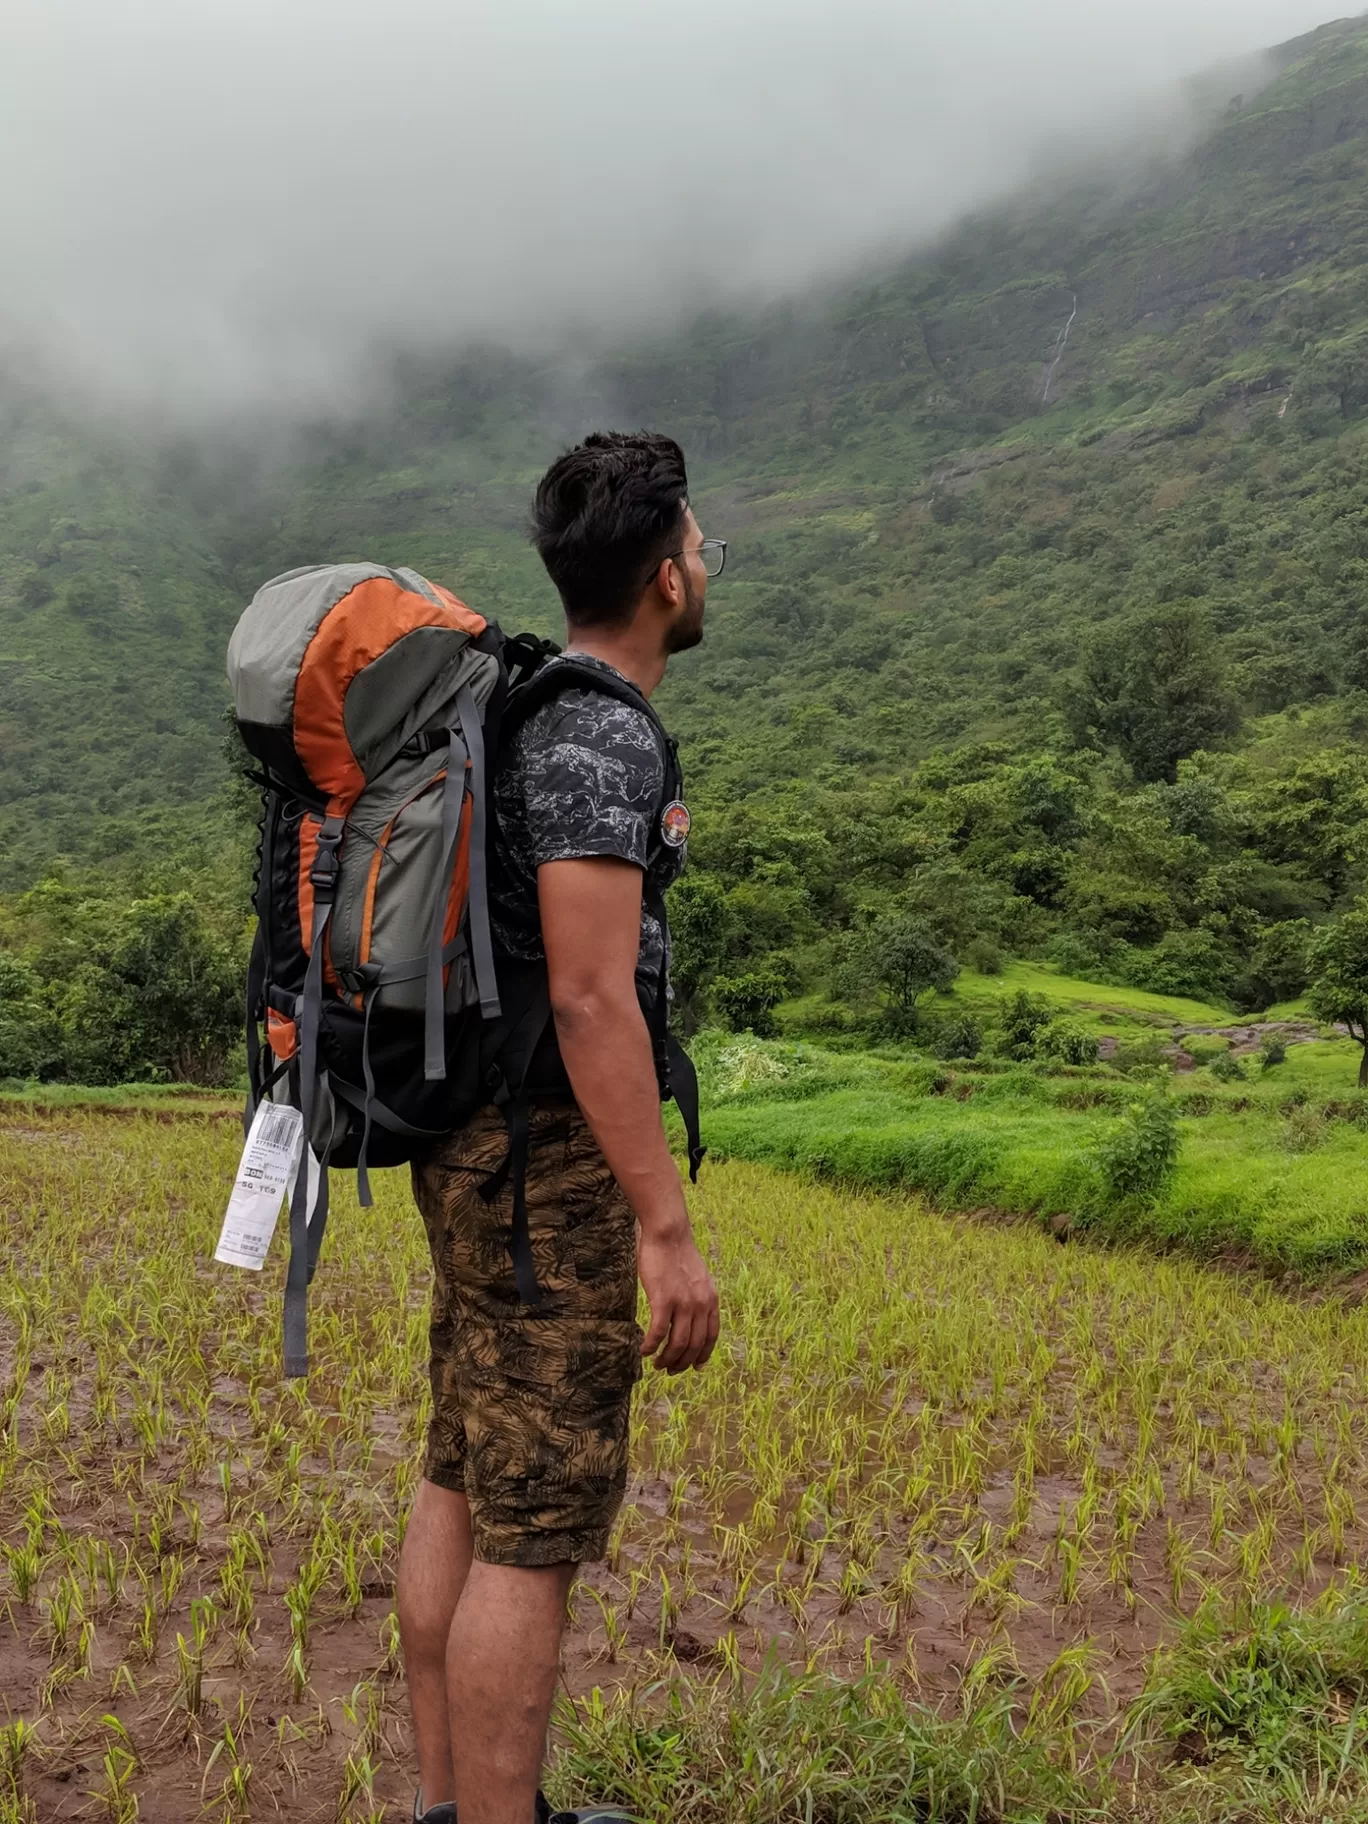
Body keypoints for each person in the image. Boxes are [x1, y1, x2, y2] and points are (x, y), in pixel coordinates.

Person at [395, 431, 724, 1824]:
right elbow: (593, 1002)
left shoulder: (536, 714)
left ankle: (452, 1805)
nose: (709, 567)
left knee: (464, 1468)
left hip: (472, 1146)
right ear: (664, 577)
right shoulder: (597, 731)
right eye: (703, 548)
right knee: (533, 1533)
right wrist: (665, 1225)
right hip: (549, 1173)